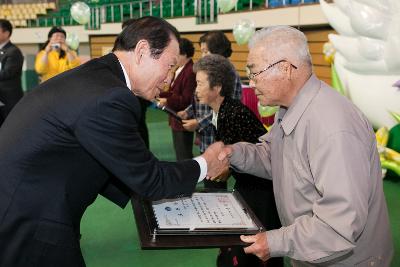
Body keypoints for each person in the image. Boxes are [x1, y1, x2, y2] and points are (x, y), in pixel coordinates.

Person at [0, 16, 226, 267]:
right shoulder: (110, 97)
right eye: (170, 66)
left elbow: (107, 159)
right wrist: (206, 164)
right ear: (142, 51)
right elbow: (150, 178)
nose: (169, 79)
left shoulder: (98, 76)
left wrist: (139, 187)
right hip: (28, 224)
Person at [215, 25, 394, 266]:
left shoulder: (332, 127)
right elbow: (274, 156)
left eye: (255, 72)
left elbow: (339, 224)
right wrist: (233, 153)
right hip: (313, 253)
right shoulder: (291, 108)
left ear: (286, 69)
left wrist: (274, 242)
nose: (252, 82)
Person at [193, 54, 282, 267]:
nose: (195, 89)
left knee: (260, 241)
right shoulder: (221, 111)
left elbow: (230, 162)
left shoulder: (233, 113)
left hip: (262, 185)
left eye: (199, 83)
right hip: (250, 181)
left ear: (217, 88)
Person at [179, 30, 242, 189]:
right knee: (209, 178)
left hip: (219, 139)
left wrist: (198, 122)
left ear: (219, 52)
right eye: (202, 51)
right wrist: (189, 110)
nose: (203, 56)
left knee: (216, 181)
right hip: (206, 139)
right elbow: (200, 97)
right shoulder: (209, 70)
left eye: (206, 51)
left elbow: (226, 109)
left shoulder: (229, 74)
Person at [158, 38, 196, 160]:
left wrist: (166, 100)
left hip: (183, 118)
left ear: (184, 54)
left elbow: (186, 99)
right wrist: (160, 94)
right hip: (177, 118)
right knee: (181, 154)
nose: (173, 57)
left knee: (184, 155)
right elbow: (174, 93)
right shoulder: (180, 69)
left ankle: (188, 178)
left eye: (176, 54)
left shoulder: (190, 71)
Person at [121, 18, 152, 148]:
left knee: (139, 126)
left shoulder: (146, 50)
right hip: (123, 95)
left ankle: (144, 152)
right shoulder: (120, 50)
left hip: (139, 97)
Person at [0, 19, 23, 127]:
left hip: (8, 100)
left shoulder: (13, 51)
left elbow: (7, 73)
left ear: (6, 33)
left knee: (10, 129)